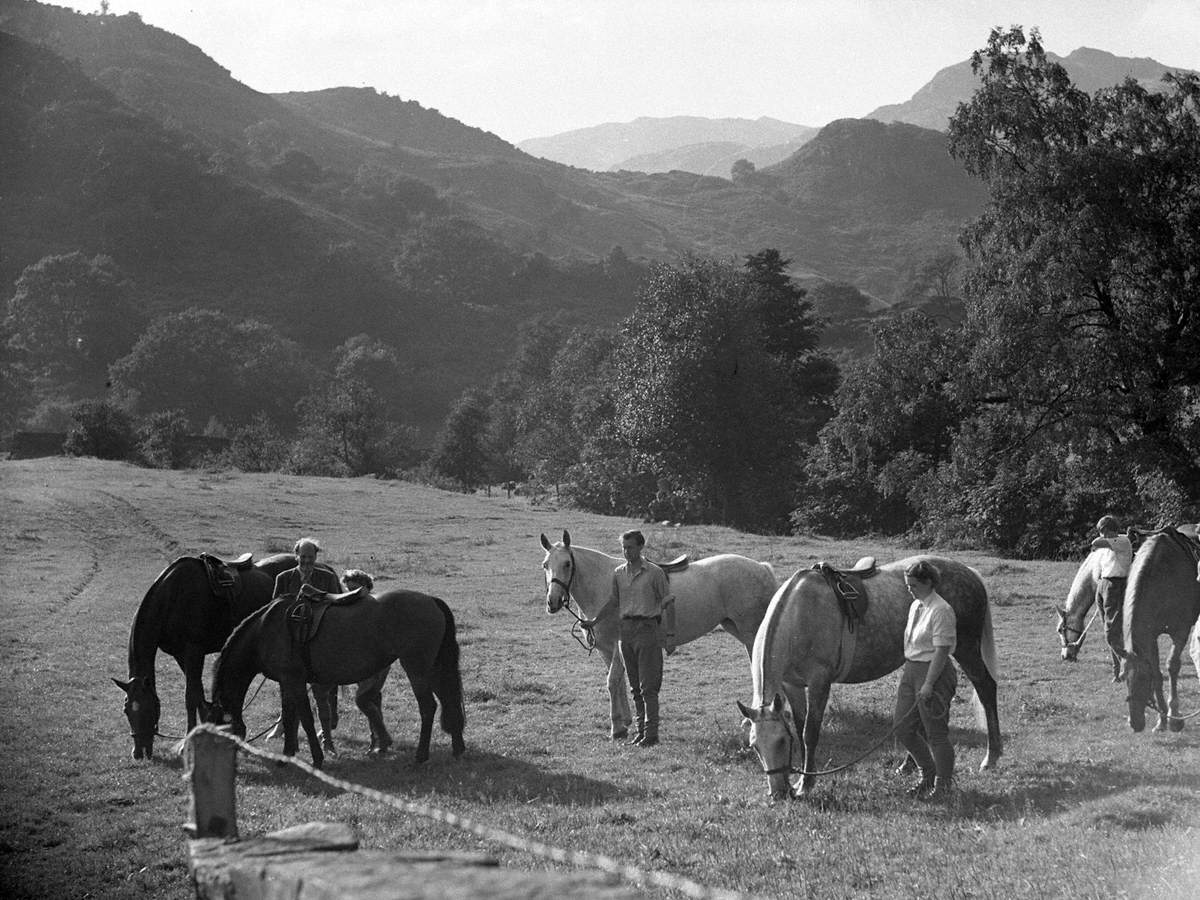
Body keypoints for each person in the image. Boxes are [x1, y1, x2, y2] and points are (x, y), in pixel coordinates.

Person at [270, 537, 346, 749]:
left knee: (323, 691)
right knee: (288, 687)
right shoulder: (283, 578)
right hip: (293, 643)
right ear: (296, 556)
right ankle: (285, 728)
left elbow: (338, 608)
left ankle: (327, 735)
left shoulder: (327, 577)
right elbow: (274, 610)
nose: (306, 562)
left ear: (316, 557)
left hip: (320, 641)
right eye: (302, 557)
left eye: (310, 558)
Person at [894, 559, 957, 801]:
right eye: (907, 585)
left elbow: (941, 650)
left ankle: (943, 786)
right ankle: (927, 773)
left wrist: (929, 683)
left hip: (934, 672)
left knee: (936, 733)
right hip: (912, 670)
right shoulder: (916, 606)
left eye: (914, 585)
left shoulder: (941, 610)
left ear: (929, 582)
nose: (909, 589)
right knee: (902, 726)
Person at [610, 529, 674, 747]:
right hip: (625, 632)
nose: (626, 551)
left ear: (640, 547)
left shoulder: (655, 573)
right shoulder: (618, 573)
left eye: (630, 547)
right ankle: (640, 731)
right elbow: (612, 602)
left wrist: (670, 635)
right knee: (634, 687)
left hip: (647, 630)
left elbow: (668, 602)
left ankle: (652, 733)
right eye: (623, 547)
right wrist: (592, 621)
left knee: (649, 686)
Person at [1091, 514, 1133, 678]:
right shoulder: (1109, 546)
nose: (1101, 535)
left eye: (1102, 531)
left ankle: (1128, 661)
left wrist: (1099, 541)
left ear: (1108, 530)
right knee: (1107, 629)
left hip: (1116, 585)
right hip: (1104, 585)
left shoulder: (1122, 541)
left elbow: (1096, 543)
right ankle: (1117, 671)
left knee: (1112, 631)